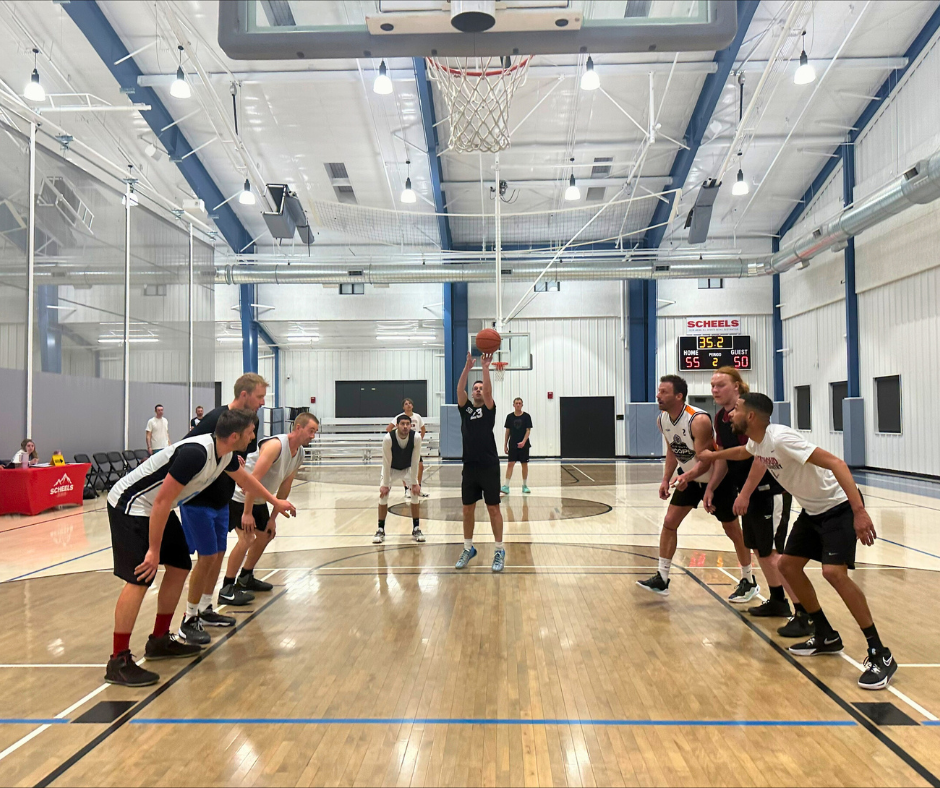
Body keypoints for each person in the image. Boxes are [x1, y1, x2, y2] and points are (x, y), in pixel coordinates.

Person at [700, 392, 896, 690]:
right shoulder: (759, 440)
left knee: (833, 573)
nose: (730, 414)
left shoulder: (781, 439)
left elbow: (837, 463)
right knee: (788, 566)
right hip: (814, 510)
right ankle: (825, 634)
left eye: (736, 409)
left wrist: (859, 512)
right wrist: (715, 457)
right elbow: (747, 453)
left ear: (750, 416)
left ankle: (879, 653)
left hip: (838, 507)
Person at [104, 408, 296, 687]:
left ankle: (159, 641)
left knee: (180, 567)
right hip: (129, 505)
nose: (254, 436)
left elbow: (245, 480)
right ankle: (118, 660)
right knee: (140, 578)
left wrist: (274, 501)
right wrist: (153, 550)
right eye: (251, 432)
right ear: (234, 436)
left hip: (156, 507)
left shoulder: (226, 454)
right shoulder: (196, 454)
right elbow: (159, 502)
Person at [636, 375, 757, 601]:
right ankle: (662, 578)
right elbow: (673, 450)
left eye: (663, 392)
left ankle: (748, 579)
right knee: (669, 522)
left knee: (732, 531)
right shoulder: (662, 419)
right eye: (658, 391)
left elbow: (707, 459)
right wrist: (666, 478)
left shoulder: (697, 419)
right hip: (690, 478)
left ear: (678, 396)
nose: (658, 396)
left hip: (716, 479)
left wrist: (688, 476)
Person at [710, 368, 810, 636]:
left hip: (769, 492)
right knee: (759, 549)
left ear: (737, 388)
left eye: (720, 385)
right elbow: (726, 457)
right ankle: (778, 600)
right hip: (747, 492)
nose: (714, 390)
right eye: (712, 385)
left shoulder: (750, 418)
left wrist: (744, 493)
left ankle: (805, 612)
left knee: (775, 554)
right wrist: (712, 487)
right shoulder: (722, 418)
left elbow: (758, 457)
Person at [177, 374, 268, 646]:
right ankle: (188, 618)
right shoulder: (215, 419)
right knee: (205, 558)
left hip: (222, 500)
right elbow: (184, 451)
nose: (263, 402)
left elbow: (237, 467)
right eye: (259, 397)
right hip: (199, 500)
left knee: (217, 555)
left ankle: (206, 608)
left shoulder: (251, 423)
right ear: (244, 395)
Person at [222, 413, 319, 598]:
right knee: (247, 539)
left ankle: (246, 577)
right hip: (239, 497)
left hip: (259, 499)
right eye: (311, 431)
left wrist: (273, 518)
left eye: (315, 432)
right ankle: (227, 587)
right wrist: (247, 513)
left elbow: (286, 485)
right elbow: (252, 479)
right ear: (298, 427)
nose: (313, 436)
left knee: (266, 534)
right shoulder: (275, 445)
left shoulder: (299, 453)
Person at [454, 352, 505, 572]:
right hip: (470, 467)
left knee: (493, 508)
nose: (478, 390)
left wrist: (485, 367)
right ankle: (468, 548)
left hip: (489, 466)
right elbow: (459, 390)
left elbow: (489, 390)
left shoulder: (488, 409)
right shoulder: (465, 409)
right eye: (475, 388)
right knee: (467, 509)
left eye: (480, 388)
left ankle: (499, 550)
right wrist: (467, 368)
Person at [374, 413, 424, 545]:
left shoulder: (416, 438)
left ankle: (416, 528)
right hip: (391, 468)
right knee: (383, 496)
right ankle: (380, 529)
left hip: (407, 468)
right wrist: (385, 484)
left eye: (408, 424)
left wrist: (415, 483)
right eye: (402, 424)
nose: (405, 426)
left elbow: (415, 461)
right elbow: (386, 461)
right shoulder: (388, 439)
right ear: (396, 426)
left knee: (414, 495)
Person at [386, 398, 428, 499]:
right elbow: (388, 428)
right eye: (406, 404)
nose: (408, 405)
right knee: (404, 468)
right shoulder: (399, 417)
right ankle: (407, 489)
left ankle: (418, 487)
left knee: (420, 465)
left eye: (410, 403)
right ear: (403, 407)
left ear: (412, 406)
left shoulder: (417, 417)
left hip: (414, 445)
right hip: (403, 446)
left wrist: (419, 440)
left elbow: (423, 429)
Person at [502, 398, 533, 495]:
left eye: (520, 403)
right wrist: (505, 445)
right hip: (513, 445)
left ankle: (524, 485)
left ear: (522, 405)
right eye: (516, 403)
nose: (518, 405)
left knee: (524, 464)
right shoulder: (510, 417)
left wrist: (523, 441)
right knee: (510, 464)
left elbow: (528, 430)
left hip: (524, 445)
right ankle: (506, 486)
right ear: (513, 405)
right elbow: (507, 431)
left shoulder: (526, 416)